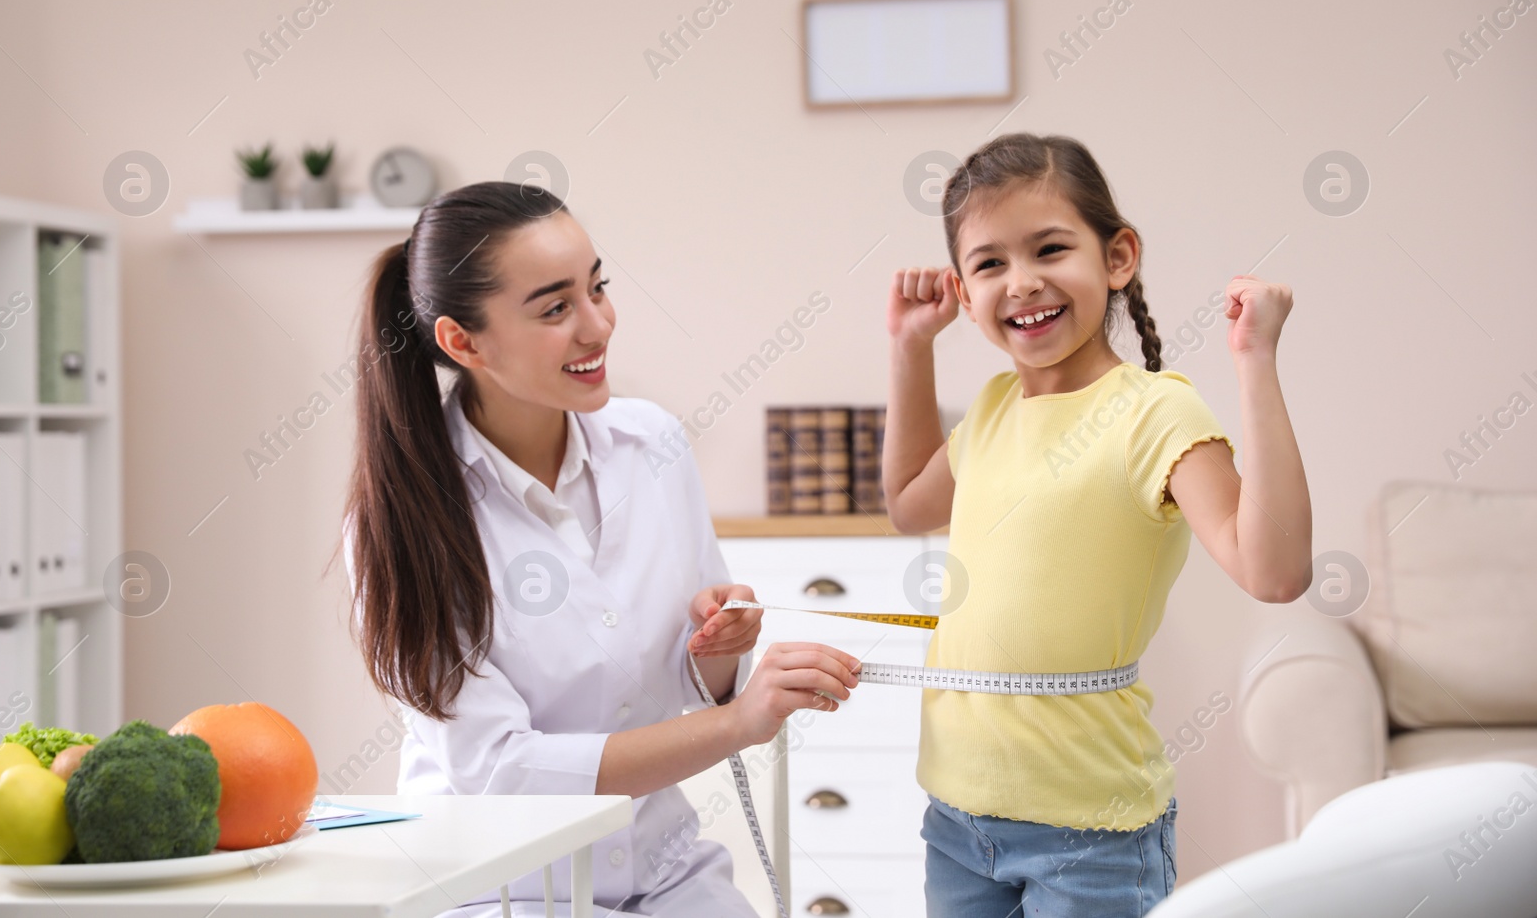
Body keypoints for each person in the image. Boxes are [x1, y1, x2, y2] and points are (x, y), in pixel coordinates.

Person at [338, 181, 860, 917]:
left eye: (598, 287)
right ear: (462, 341)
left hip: (664, 869)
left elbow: (696, 672)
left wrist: (718, 649)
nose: (599, 325)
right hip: (501, 888)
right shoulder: (402, 523)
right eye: (556, 308)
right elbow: (501, 773)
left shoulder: (653, 444)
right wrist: (737, 724)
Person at [883, 132, 1312, 916]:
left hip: (1089, 832)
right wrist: (911, 348)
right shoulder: (990, 410)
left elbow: (1274, 570)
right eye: (990, 264)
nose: (1022, 282)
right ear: (962, 289)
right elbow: (910, 500)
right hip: (954, 815)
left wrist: (1256, 362)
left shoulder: (1154, 411)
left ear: (1118, 258)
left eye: (1050, 248)